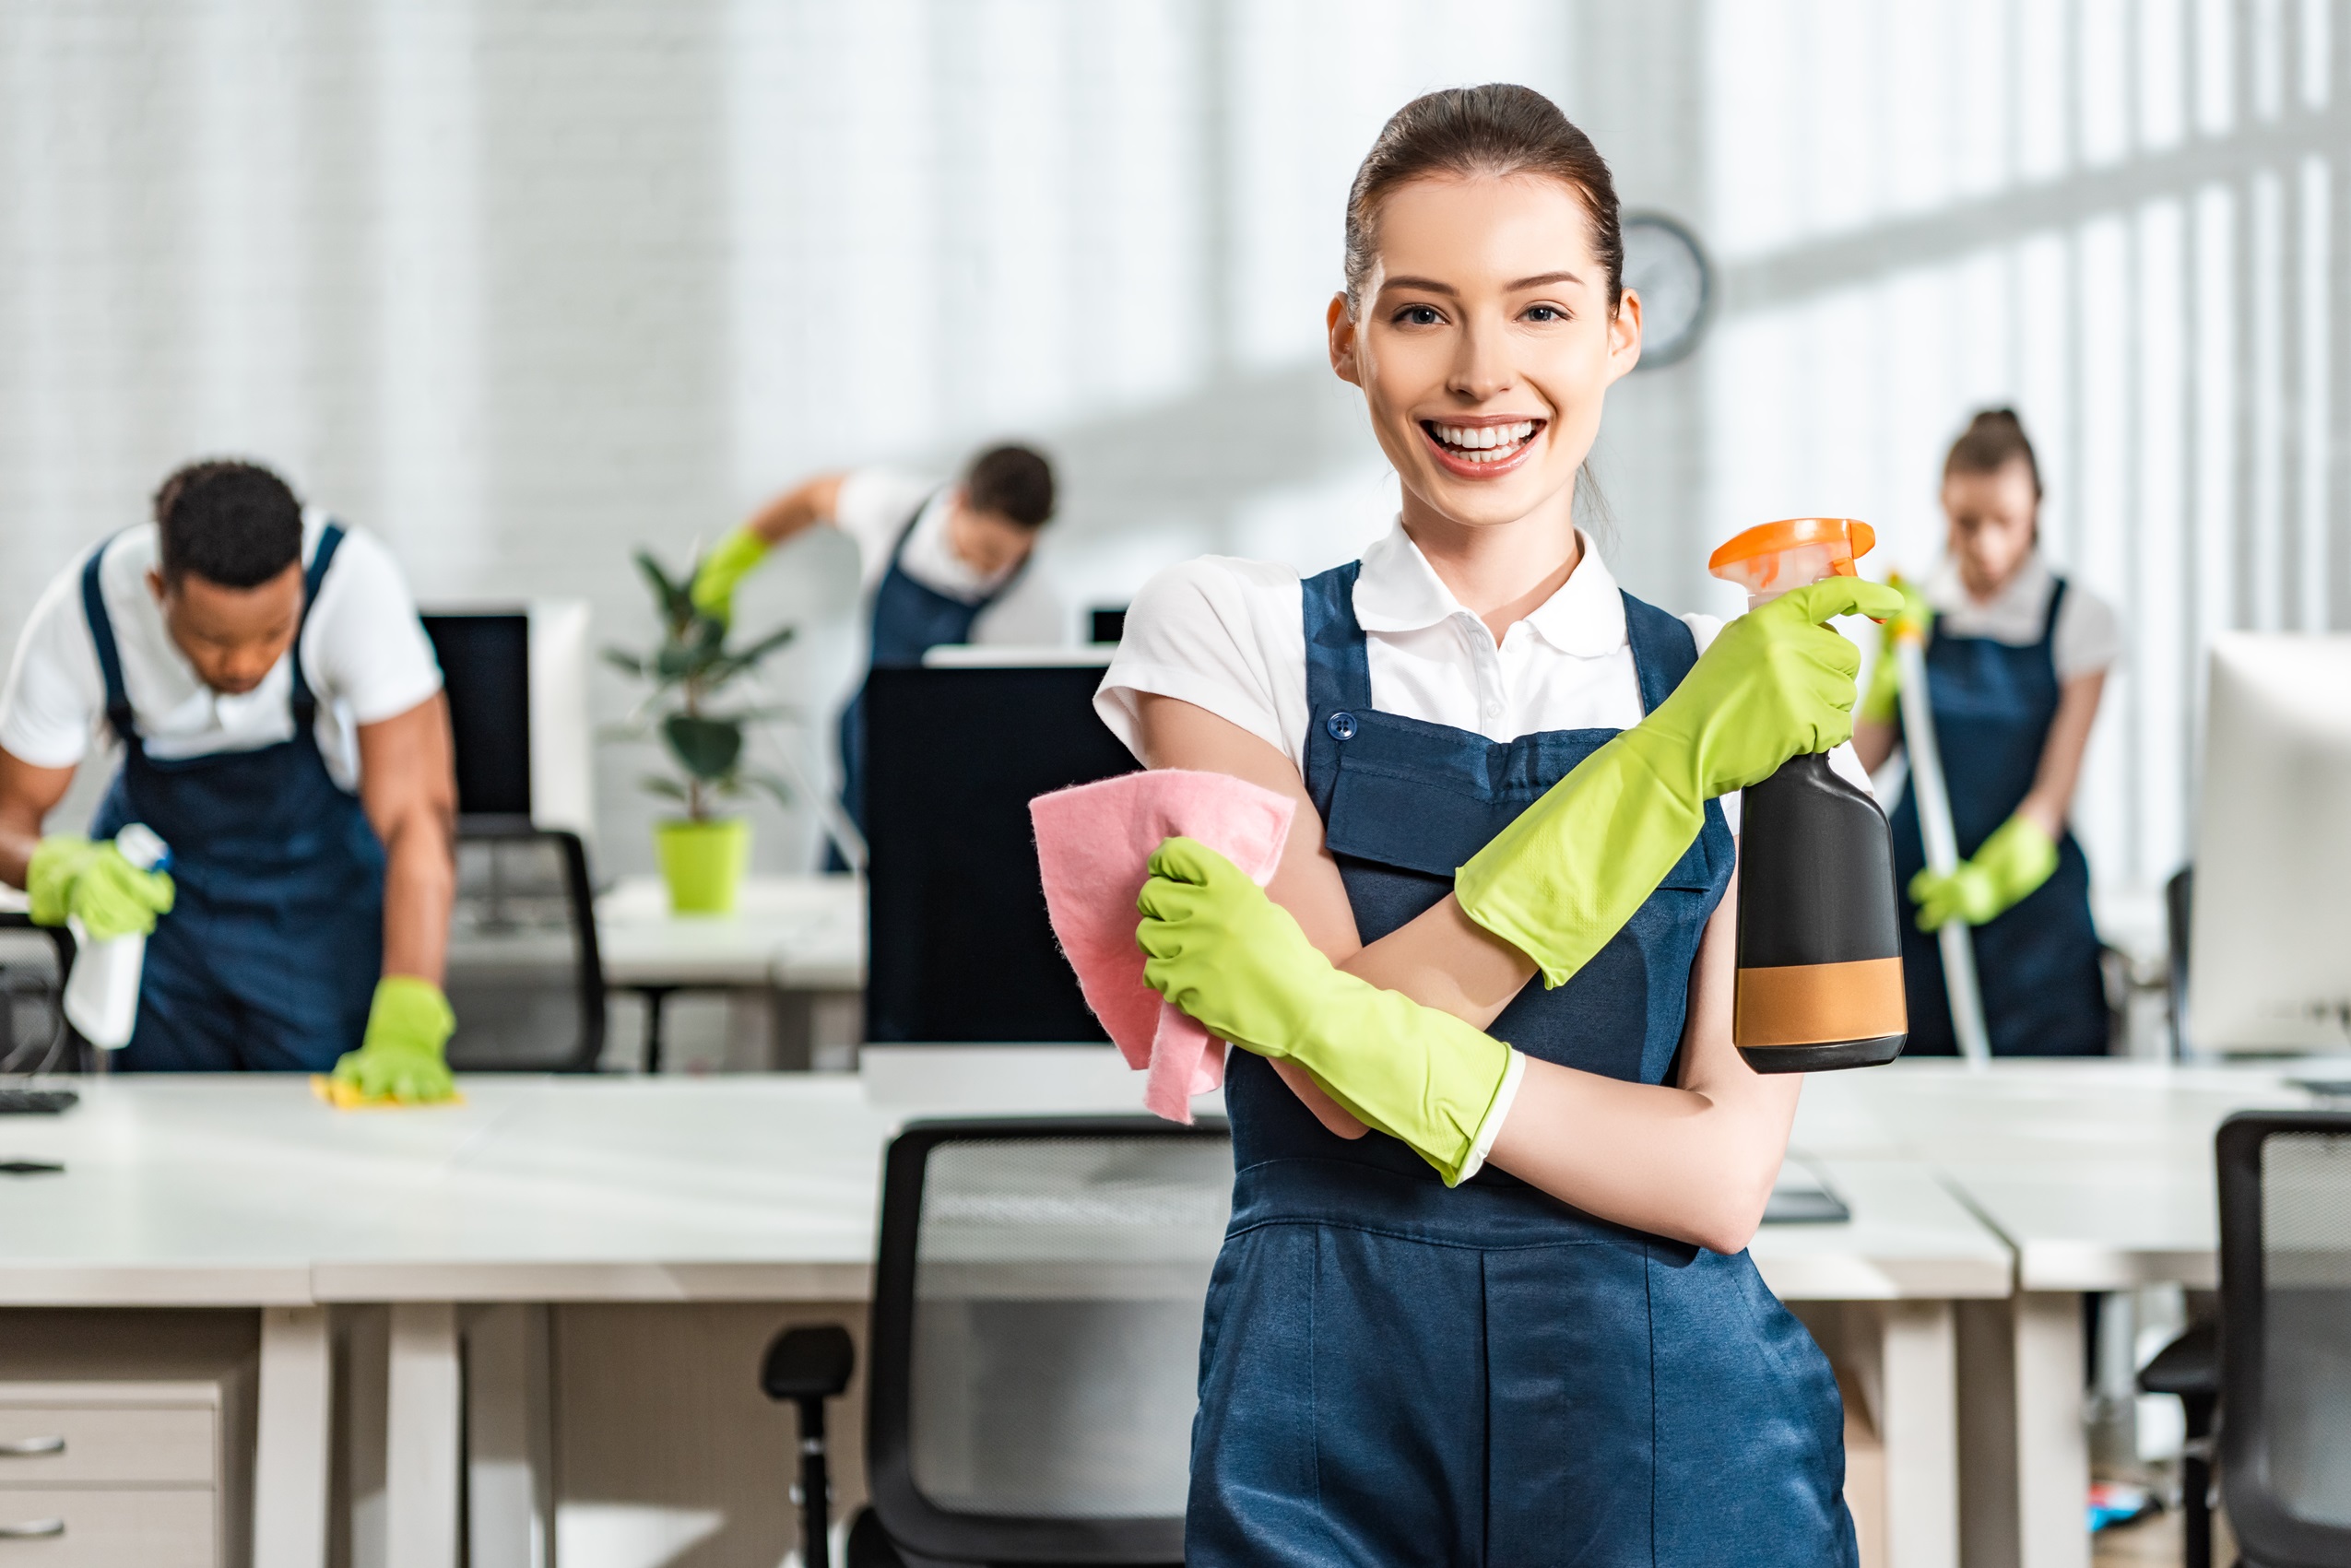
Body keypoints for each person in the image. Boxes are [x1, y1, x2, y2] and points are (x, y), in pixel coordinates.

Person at [1095, 86, 1898, 1562]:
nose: (1481, 375)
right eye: (1419, 314)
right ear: (1347, 339)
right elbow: (1333, 1102)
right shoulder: (1227, 635)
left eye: (1538, 312)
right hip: (1321, 1420)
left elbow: (1716, 1177)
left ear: (1617, 331)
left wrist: (1337, 1016)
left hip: (1667, 1424)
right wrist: (1656, 778)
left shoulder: (1739, 690)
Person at [0, 460, 459, 1099]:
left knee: (324, 1140)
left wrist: (412, 1006)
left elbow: (418, 818)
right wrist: (59, 872)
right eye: (212, 640)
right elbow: (8, 822)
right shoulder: (84, 614)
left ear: (298, 584)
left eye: (274, 633)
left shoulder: (353, 584)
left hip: (319, 923)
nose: (244, 663)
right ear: (161, 588)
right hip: (163, 939)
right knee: (171, 1138)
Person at [1853, 411, 2119, 1056]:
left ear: (2037, 509)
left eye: (2007, 522)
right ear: (1944, 507)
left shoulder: (2078, 616)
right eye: (1967, 523)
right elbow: (1861, 763)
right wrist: (1887, 671)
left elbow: (2055, 792)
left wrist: (1991, 880)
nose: (1988, 545)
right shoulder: (1914, 611)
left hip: (2031, 912)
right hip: (1916, 897)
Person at [688, 444, 1058, 855]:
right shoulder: (893, 507)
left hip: (954, 780)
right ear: (961, 500)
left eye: (1014, 554)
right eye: (988, 550)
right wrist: (732, 563)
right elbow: (811, 499)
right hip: (866, 742)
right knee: (845, 882)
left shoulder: (1036, 608)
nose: (996, 566)